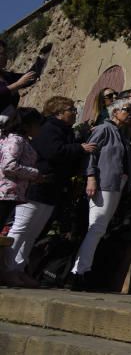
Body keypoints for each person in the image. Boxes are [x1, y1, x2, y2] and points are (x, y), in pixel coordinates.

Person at [5, 97, 95, 285]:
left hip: (51, 188)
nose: (74, 112)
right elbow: (53, 152)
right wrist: (79, 148)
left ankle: (19, 268)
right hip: (36, 187)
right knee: (21, 228)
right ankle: (7, 269)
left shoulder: (65, 131)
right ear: (59, 112)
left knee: (33, 232)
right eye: (71, 109)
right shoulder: (49, 129)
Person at [69, 97, 131, 291]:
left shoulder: (121, 133)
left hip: (115, 184)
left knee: (99, 227)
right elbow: (91, 153)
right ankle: (79, 272)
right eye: (127, 110)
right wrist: (91, 177)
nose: (130, 114)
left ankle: (82, 270)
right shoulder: (103, 129)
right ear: (114, 112)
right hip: (104, 183)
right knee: (97, 227)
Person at [0, 107, 44, 283]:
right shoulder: (15, 140)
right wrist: (35, 174)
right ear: (28, 125)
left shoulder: (22, 141)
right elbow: (8, 166)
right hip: (4, 192)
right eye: (37, 124)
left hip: (12, 193)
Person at [0, 39, 37, 123]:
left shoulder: (7, 76)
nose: (6, 56)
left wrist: (42, 58)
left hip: (9, 123)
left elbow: (28, 78)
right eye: (2, 54)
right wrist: (18, 84)